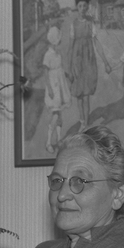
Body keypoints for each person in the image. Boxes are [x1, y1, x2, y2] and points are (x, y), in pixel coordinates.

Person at [66, 0, 112, 131]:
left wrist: (106, 62)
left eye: (84, 6)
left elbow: (96, 43)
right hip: (77, 63)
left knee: (86, 95)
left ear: (87, 7)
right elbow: (70, 48)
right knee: (78, 95)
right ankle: (82, 120)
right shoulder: (73, 25)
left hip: (88, 62)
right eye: (80, 6)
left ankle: (85, 124)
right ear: (77, 7)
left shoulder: (91, 24)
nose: (82, 9)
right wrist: (69, 69)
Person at [41, 25, 69, 154]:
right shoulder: (48, 55)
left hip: (61, 86)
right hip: (53, 87)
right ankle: (48, 142)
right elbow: (46, 73)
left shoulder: (57, 54)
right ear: (54, 41)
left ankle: (58, 139)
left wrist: (68, 75)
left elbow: (60, 69)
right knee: (55, 114)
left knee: (60, 114)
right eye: (58, 41)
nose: (60, 43)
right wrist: (50, 89)